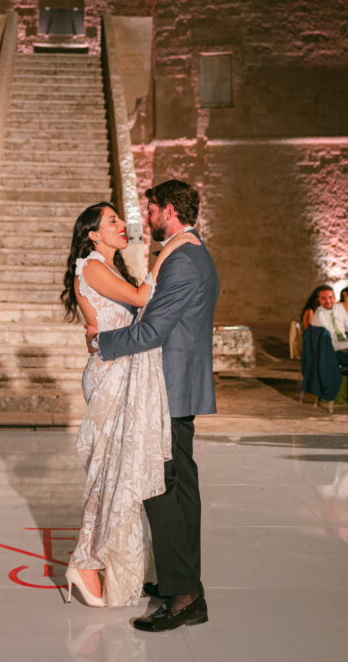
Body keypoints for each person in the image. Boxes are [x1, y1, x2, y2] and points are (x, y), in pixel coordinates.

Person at [87, 179, 219, 633]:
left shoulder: (182, 259)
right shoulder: (193, 253)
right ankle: (182, 583)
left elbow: (151, 332)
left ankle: (184, 597)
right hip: (178, 385)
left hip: (168, 388)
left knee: (161, 488)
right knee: (180, 489)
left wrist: (101, 342)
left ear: (170, 210)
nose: (147, 218)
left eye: (152, 209)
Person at [61, 200, 198, 609]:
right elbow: (141, 298)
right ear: (92, 234)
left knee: (116, 473)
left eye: (120, 218)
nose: (122, 225)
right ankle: (83, 562)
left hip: (122, 370)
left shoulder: (109, 267)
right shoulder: (91, 266)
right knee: (107, 472)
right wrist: (167, 253)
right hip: (110, 374)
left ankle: (92, 561)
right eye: (112, 221)